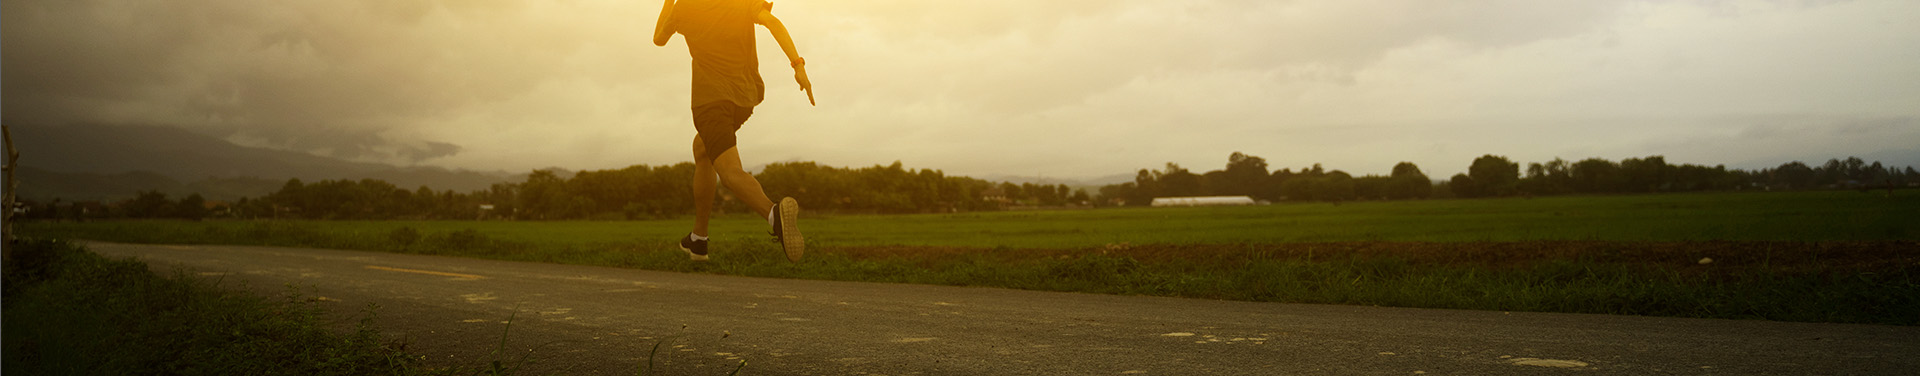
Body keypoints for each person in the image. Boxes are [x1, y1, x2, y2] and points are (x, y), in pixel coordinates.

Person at [654, 0, 812, 262]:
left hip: (710, 102)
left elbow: (659, 38)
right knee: (702, 149)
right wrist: (799, 66)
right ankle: (698, 240)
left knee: (729, 172)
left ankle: (774, 216)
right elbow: (773, 23)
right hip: (744, 98)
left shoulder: (684, 7)